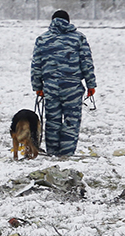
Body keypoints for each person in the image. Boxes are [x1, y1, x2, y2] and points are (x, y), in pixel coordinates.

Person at [30, 9, 96, 157]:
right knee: (71, 121)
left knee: (52, 120)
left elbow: (36, 66)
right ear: (68, 21)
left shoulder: (42, 39)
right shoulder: (79, 38)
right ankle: (66, 153)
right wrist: (91, 84)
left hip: (51, 87)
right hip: (72, 87)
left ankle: (53, 152)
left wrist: (38, 87)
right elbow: (87, 62)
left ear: (52, 21)